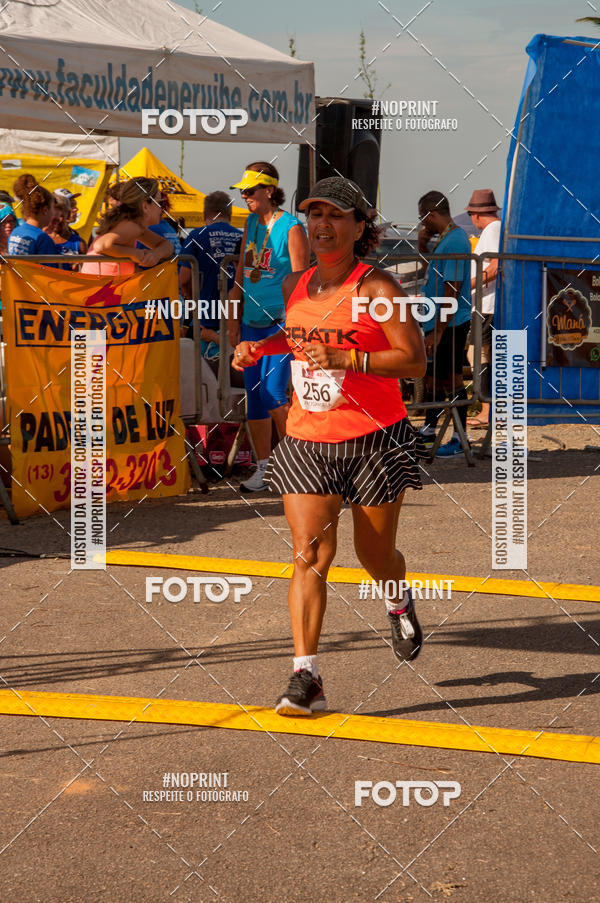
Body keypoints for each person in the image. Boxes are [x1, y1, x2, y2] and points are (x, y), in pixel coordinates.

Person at [233, 177, 427, 716]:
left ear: (360, 226)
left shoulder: (377, 288)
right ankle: (306, 676)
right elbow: (293, 334)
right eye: (314, 215)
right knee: (309, 555)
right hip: (307, 436)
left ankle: (396, 598)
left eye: (336, 216)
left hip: (374, 438)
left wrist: (349, 360)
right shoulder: (298, 282)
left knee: (375, 555)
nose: (322, 225)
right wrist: (258, 346)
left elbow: (413, 361)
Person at [228, 161, 310, 492]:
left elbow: (301, 279)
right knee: (255, 398)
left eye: (250, 191)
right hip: (250, 321)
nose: (244, 196)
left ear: (269, 191)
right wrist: (233, 318)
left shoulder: (291, 228)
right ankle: (266, 466)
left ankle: (301, 464)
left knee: (275, 393)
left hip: (280, 322)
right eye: (242, 191)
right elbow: (243, 272)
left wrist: (296, 324)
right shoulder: (251, 223)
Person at [417, 190, 472, 457]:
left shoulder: (456, 241)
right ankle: (429, 430)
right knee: (433, 379)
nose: (421, 223)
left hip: (450, 323)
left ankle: (461, 439)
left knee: (451, 379)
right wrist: (423, 245)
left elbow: (452, 286)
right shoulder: (447, 239)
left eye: (422, 218)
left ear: (432, 214)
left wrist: (438, 330)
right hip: (439, 321)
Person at [179, 190, 242, 376]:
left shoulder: (197, 235)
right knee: (237, 382)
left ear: (205, 215)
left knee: (208, 380)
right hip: (238, 318)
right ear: (229, 215)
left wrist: (192, 304)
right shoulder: (242, 237)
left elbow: (183, 278)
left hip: (207, 320)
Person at [81, 178, 172, 276]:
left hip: (101, 284)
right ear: (145, 207)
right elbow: (101, 245)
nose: (162, 208)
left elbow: (167, 245)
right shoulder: (132, 226)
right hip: (99, 286)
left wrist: (155, 254)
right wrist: (135, 253)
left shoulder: (136, 226)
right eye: (159, 203)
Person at [465, 190, 501, 429]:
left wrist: (468, 286)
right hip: (486, 303)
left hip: (487, 304)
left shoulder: (492, 230)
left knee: (479, 354)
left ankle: (487, 410)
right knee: (481, 354)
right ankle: (488, 408)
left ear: (475, 214)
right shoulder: (495, 229)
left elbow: (497, 265)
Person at [7, 174, 57, 258]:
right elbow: (50, 270)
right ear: (45, 210)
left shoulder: (16, 232)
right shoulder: (43, 239)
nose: (53, 213)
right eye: (52, 208)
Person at [47, 193, 87, 258]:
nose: (58, 220)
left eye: (62, 215)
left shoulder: (79, 243)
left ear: (68, 215)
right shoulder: (38, 239)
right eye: (54, 215)